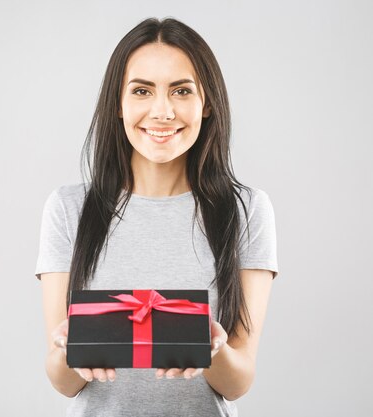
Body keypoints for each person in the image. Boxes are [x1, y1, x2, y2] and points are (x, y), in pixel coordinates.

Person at [35, 17, 278, 417]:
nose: (162, 111)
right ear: (118, 102)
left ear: (208, 101)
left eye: (181, 91)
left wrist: (214, 347)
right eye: (142, 91)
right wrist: (66, 351)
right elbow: (64, 383)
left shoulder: (247, 210)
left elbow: (239, 382)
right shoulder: (68, 209)